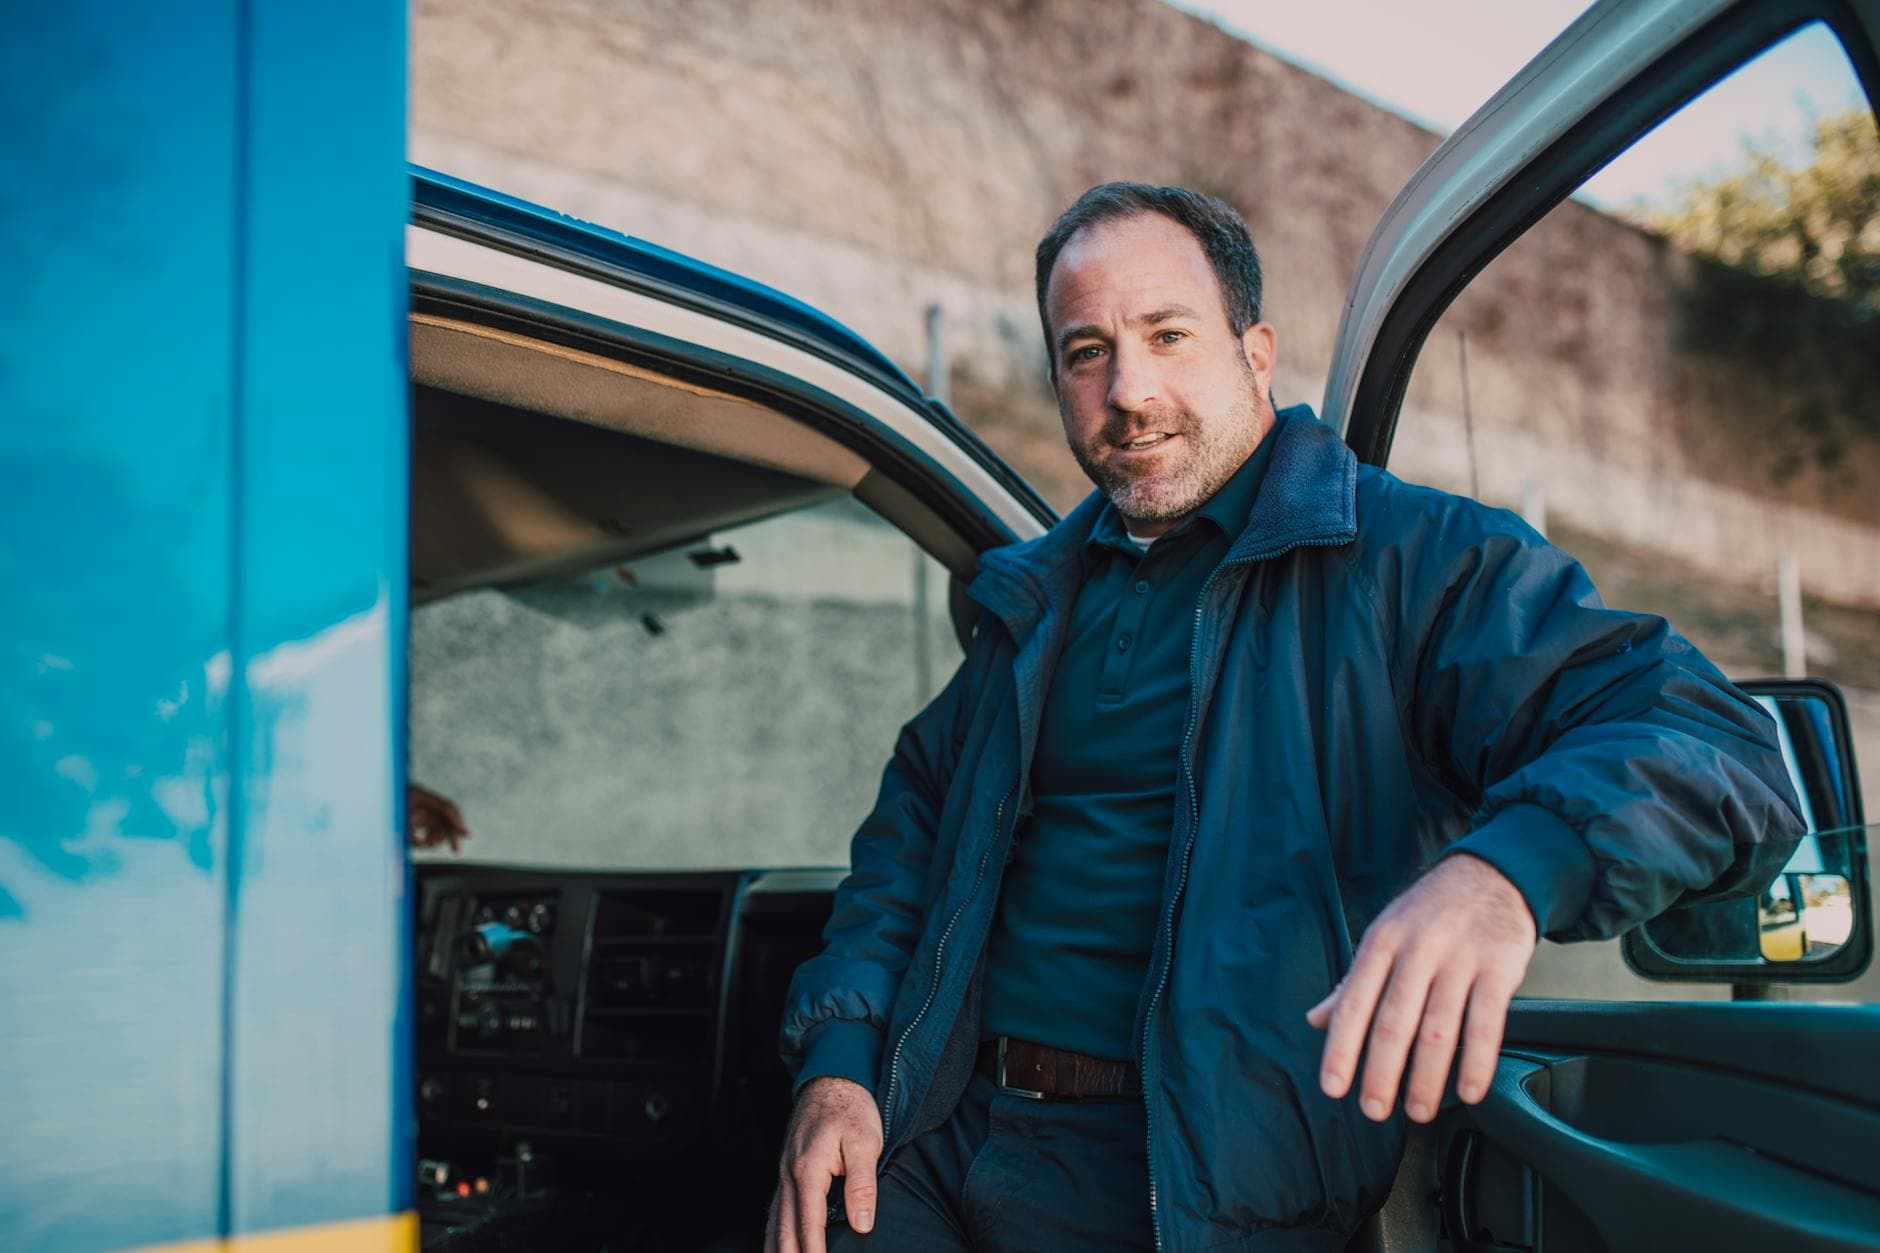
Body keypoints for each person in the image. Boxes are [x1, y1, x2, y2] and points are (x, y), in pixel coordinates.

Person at [767, 183, 1802, 1252]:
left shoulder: (1407, 559)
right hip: (928, 1145)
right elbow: (910, 841)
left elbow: (1709, 738)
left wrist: (1505, 874)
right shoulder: (1032, 598)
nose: (1129, 390)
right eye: (1087, 352)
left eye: (1168, 335)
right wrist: (839, 1068)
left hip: (1186, 1194)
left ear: (1253, 352)